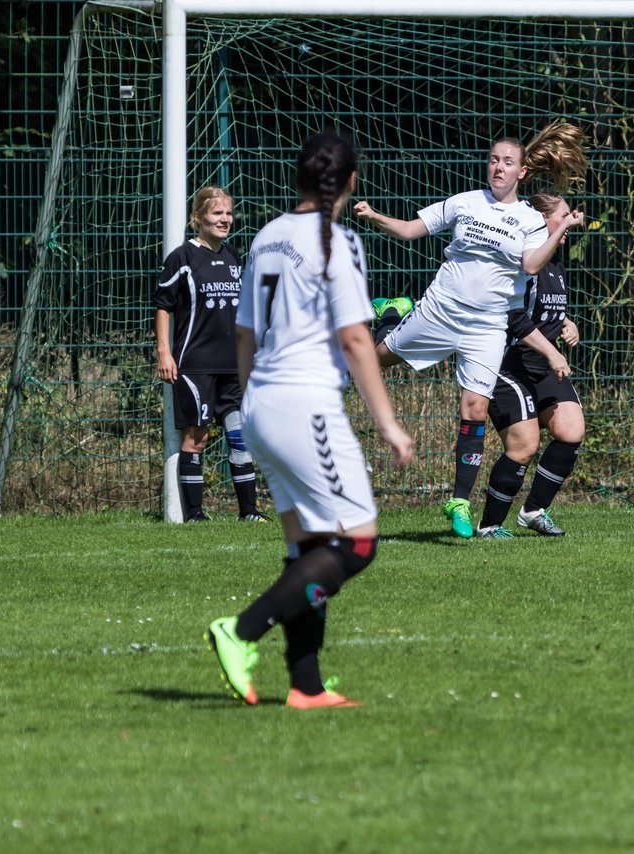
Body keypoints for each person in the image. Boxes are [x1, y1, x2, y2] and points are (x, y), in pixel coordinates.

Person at [204, 132, 414, 709]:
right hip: (304, 404)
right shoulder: (336, 242)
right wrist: (390, 424)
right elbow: (354, 337)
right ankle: (241, 630)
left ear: (298, 179)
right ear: (351, 182)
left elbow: (246, 332)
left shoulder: (267, 237)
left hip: (260, 403)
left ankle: (306, 685)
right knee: (358, 545)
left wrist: (252, 403)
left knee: (309, 546)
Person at [353, 121, 587, 538]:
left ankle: (459, 502)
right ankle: (392, 312)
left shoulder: (531, 220)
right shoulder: (465, 202)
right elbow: (410, 229)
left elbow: (532, 265)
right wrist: (373, 216)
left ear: (522, 173)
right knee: (372, 363)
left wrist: (561, 228)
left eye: (507, 162)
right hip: (441, 310)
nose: (498, 167)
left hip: (487, 327)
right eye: (494, 159)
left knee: (475, 409)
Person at [476, 192, 586, 539]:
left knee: (571, 429)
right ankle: (489, 525)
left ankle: (534, 511)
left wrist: (566, 322)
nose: (570, 222)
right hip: (506, 363)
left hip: (539, 364)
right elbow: (512, 316)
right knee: (524, 445)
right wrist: (553, 353)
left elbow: (545, 309)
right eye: (564, 216)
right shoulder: (523, 261)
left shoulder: (555, 263)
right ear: (541, 220)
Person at [154, 186, 265, 523]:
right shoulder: (182, 258)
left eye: (228, 214)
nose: (225, 220)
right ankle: (195, 515)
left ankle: (249, 512)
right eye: (217, 214)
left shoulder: (232, 256)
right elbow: (163, 307)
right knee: (197, 437)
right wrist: (164, 352)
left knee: (240, 436)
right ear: (198, 217)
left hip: (232, 365)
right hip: (195, 364)